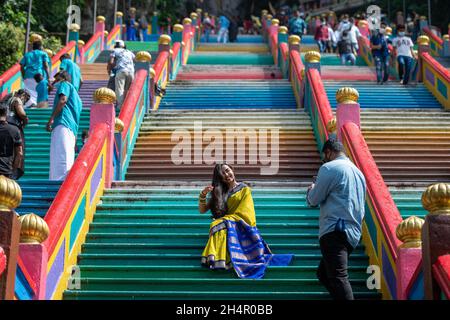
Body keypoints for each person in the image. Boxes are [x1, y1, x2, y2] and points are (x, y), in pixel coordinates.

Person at [199, 163, 293, 278]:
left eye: (227, 170)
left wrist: (228, 220)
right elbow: (202, 210)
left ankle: (220, 260)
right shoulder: (220, 193)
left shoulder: (244, 189)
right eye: (222, 174)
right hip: (228, 223)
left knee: (218, 223)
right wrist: (203, 194)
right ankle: (219, 260)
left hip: (240, 224)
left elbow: (246, 212)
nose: (226, 174)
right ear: (220, 178)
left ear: (232, 170)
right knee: (217, 224)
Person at [307, 139, 366, 300]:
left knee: (339, 277)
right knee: (324, 274)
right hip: (353, 232)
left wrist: (311, 189)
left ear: (328, 152)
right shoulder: (358, 172)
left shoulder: (329, 167)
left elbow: (313, 199)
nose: (324, 160)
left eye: (324, 156)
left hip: (335, 230)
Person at [46, 71, 82, 181]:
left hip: (62, 122)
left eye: (56, 79)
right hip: (71, 128)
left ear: (62, 78)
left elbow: (62, 100)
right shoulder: (77, 97)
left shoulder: (65, 84)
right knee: (67, 157)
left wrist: (51, 118)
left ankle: (57, 184)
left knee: (60, 155)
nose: (55, 82)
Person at [1, 89, 30, 179]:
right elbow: (22, 113)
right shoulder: (17, 99)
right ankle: (13, 173)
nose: (25, 101)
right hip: (13, 127)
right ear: (24, 95)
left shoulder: (7, 99)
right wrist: (26, 120)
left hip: (5, 126)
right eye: (26, 98)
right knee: (16, 151)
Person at [20, 41, 51, 108]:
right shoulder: (43, 54)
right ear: (40, 47)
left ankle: (30, 104)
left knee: (29, 91)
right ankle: (38, 106)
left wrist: (24, 76)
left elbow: (22, 66)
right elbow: (45, 65)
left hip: (28, 75)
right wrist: (48, 77)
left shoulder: (27, 54)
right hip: (39, 76)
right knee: (39, 91)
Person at [107, 40, 135, 109]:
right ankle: (128, 106)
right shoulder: (129, 52)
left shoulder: (115, 50)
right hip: (131, 72)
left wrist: (109, 70)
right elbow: (134, 61)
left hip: (121, 71)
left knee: (119, 89)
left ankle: (120, 107)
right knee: (128, 90)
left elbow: (111, 62)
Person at [0, 105, 23, 180]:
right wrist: (13, 170)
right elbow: (19, 153)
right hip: (7, 170)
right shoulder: (15, 130)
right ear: (6, 114)